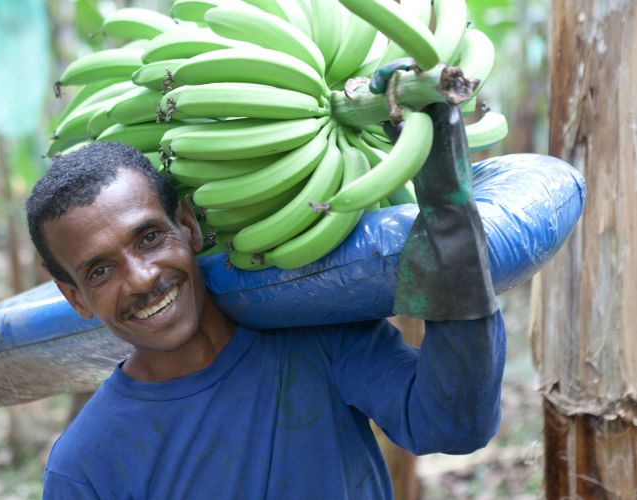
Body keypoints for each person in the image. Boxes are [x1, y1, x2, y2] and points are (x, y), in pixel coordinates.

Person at [26, 103, 505, 499]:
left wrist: (448, 214)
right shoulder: (85, 465)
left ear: (187, 226)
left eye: (149, 237)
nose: (140, 279)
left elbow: (454, 423)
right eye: (101, 271)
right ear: (75, 297)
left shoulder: (315, 338)